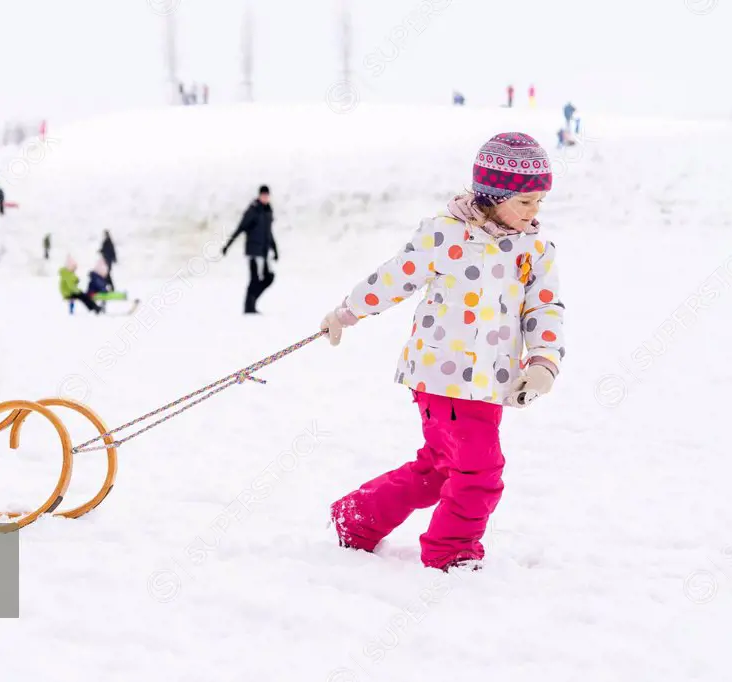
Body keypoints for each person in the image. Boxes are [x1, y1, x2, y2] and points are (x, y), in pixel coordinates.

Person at [321, 132, 564, 572]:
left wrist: (545, 360)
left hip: (492, 383)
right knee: (480, 474)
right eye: (525, 202)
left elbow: (544, 307)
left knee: (439, 468)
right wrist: (347, 312)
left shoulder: (536, 250)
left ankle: (357, 518)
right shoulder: (446, 234)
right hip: (440, 375)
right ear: (494, 195)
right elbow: (396, 277)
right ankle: (452, 551)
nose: (534, 213)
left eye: (539, 203)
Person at [223, 185, 279, 314]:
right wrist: (227, 245)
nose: (265, 197)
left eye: (267, 195)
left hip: (263, 252)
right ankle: (249, 306)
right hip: (253, 251)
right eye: (263, 195)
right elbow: (240, 228)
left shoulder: (268, 211)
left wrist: (275, 250)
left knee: (268, 277)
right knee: (254, 279)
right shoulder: (253, 211)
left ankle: (251, 303)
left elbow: (269, 233)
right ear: (259, 196)